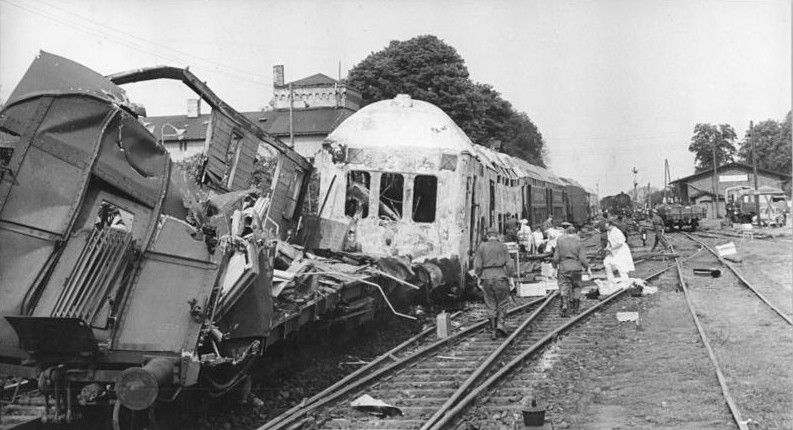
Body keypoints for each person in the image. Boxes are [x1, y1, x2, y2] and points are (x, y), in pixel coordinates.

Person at [474, 227, 515, 339]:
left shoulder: (481, 247)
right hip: (501, 276)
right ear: (497, 236)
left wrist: (479, 276)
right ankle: (500, 324)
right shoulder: (503, 246)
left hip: (486, 277)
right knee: (502, 302)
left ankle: (493, 330)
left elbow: (478, 265)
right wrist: (511, 277)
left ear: (487, 236)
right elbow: (509, 264)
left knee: (490, 303)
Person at [553, 222, 590, 317]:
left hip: (564, 267)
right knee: (577, 287)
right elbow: (582, 258)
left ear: (566, 232)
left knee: (564, 286)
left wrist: (554, 266)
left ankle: (565, 304)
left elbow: (556, 257)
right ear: (575, 232)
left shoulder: (560, 240)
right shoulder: (578, 240)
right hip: (576, 267)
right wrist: (587, 268)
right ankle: (576, 308)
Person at [603, 219, 635, 285]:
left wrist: (611, 248)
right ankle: (611, 280)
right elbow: (609, 241)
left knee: (621, 267)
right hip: (614, 250)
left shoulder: (617, 231)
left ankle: (626, 281)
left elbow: (620, 244)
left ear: (611, 225)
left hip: (621, 251)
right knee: (606, 263)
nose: (606, 229)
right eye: (605, 228)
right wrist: (607, 247)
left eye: (607, 227)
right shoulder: (609, 231)